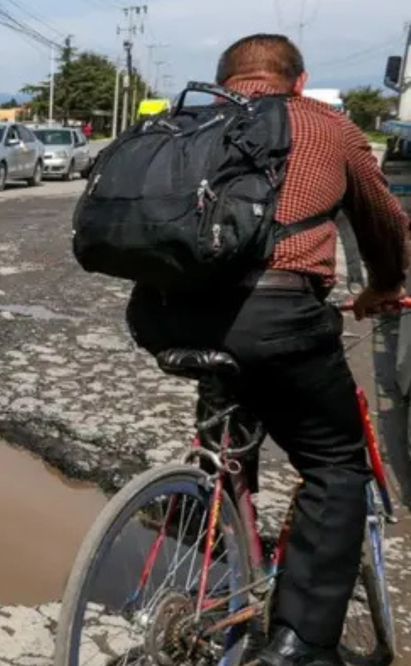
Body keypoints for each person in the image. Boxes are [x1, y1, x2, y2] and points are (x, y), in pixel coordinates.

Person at [125, 34, 410, 665]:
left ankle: (210, 521)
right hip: (277, 316)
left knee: (229, 422)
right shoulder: (326, 124)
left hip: (164, 316)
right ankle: (302, 645)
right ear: (298, 82)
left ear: (223, 80)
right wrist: (385, 287)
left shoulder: (191, 121)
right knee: (337, 465)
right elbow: (383, 222)